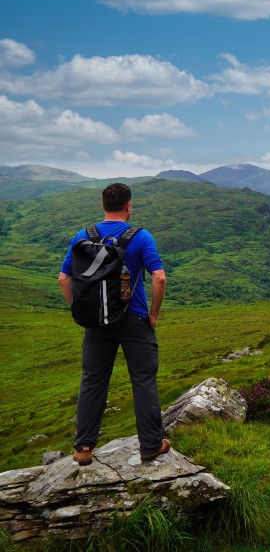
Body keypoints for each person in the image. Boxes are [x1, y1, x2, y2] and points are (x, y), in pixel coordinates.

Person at [58, 183, 170, 465]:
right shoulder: (141, 237)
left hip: (95, 323)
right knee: (143, 380)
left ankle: (83, 448)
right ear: (128, 206)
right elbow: (159, 278)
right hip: (134, 319)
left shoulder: (83, 235)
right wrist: (153, 315)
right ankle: (150, 446)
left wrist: (81, 310)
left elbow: (64, 278)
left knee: (93, 381)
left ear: (103, 205)